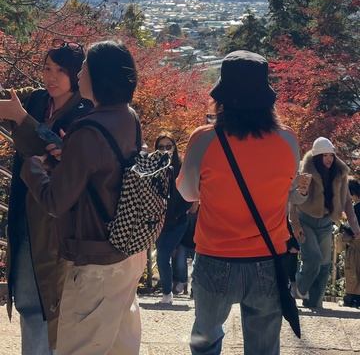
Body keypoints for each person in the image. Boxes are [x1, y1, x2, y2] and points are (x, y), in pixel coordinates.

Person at [177, 50, 308, 355]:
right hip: (267, 258)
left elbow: (187, 193)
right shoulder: (287, 140)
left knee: (205, 340)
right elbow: (290, 189)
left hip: (215, 257)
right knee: (263, 346)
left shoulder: (204, 139)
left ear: (221, 97)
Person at [20, 40, 147, 355]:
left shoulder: (88, 129)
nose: (80, 76)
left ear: (98, 77)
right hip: (128, 250)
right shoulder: (127, 116)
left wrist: (33, 168)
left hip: (95, 258)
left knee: (78, 347)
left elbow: (54, 201)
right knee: (120, 347)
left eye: (85, 68)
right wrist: (69, 157)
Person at [0, 41, 90, 354]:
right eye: (47, 68)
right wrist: (17, 114)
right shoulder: (37, 99)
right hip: (26, 213)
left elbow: (58, 154)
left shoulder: (85, 111)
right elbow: (9, 107)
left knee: (56, 305)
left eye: (60, 71)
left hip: (62, 221)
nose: (51, 77)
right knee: (28, 301)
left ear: (77, 75)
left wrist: (22, 120)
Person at [291, 137, 360, 310]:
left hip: (326, 222)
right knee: (313, 258)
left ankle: (314, 302)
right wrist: (296, 225)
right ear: (316, 157)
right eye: (324, 155)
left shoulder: (340, 173)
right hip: (305, 219)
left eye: (331, 155)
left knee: (324, 265)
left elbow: (346, 203)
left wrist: (355, 227)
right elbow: (292, 201)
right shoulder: (305, 171)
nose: (329, 159)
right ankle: (297, 288)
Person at [155, 132, 192, 303]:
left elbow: (189, 194)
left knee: (164, 254)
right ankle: (168, 291)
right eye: (161, 147)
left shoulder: (182, 167)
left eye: (168, 146)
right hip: (158, 221)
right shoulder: (153, 167)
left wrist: (180, 213)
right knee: (162, 256)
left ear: (174, 147)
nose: (165, 150)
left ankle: (168, 292)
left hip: (178, 221)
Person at [340, 177, 360, 308]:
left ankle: (352, 299)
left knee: (353, 271)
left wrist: (342, 225)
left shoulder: (356, 208)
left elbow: (354, 228)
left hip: (356, 246)